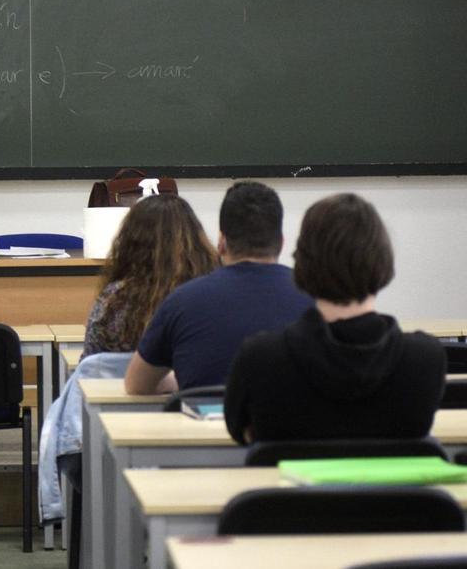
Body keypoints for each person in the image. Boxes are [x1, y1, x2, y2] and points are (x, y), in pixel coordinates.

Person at [224, 193, 445, 445]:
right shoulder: (425, 360)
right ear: (383, 259)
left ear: (303, 262)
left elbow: (240, 432)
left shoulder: (260, 358)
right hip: (394, 487)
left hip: (287, 485)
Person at [124, 181, 313, 394]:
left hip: (202, 425)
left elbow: (136, 385)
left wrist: (178, 382)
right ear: (281, 242)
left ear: (221, 242)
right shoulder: (316, 299)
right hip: (288, 426)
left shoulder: (182, 301)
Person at [81, 194, 219, 360]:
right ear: (196, 239)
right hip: (197, 384)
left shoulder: (114, 299)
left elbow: (89, 365)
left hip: (124, 385)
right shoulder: (213, 295)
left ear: (129, 241)